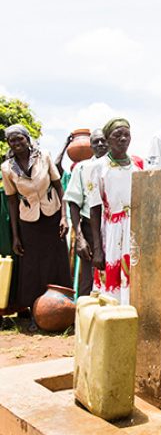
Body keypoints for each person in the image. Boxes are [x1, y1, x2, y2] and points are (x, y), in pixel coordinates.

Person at [1, 124, 71, 318]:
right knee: (32, 266)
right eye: (12, 140)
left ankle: (62, 311)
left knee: (56, 261)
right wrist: (16, 235)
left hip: (53, 215)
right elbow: (12, 201)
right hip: (28, 221)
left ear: (27, 139)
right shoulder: (7, 168)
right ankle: (35, 312)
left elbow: (59, 186)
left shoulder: (44, 156)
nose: (16, 143)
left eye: (19, 138)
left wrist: (64, 217)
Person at [88, 118, 142, 305]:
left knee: (135, 275)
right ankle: (111, 321)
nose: (122, 139)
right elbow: (94, 208)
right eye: (117, 135)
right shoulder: (97, 167)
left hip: (135, 229)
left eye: (126, 134)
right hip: (112, 229)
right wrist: (97, 249)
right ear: (108, 139)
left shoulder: (139, 165)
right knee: (111, 279)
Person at [63, 129, 108, 296]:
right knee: (88, 278)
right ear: (91, 146)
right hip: (90, 228)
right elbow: (74, 203)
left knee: (115, 275)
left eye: (104, 140)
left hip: (115, 227)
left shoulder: (122, 166)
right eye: (96, 142)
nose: (101, 144)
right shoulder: (82, 168)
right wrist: (80, 238)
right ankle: (83, 319)